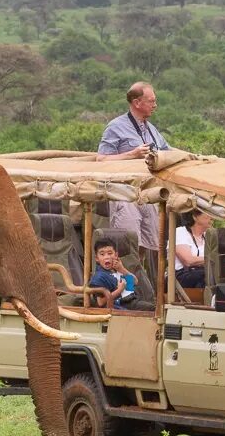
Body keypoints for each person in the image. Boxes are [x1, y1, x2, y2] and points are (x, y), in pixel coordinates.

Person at [97, 82, 173, 257]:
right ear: (137, 103)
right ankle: (127, 284)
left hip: (147, 193)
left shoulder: (151, 129)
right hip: (124, 194)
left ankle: (142, 282)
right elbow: (100, 159)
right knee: (127, 247)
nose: (155, 105)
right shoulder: (115, 126)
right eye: (151, 101)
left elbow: (168, 152)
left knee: (151, 246)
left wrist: (195, 157)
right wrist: (131, 154)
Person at [88, 239, 138, 309]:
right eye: (102, 254)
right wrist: (119, 290)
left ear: (116, 255)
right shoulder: (99, 277)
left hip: (131, 301)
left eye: (110, 253)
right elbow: (100, 302)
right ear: (97, 258)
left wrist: (122, 269)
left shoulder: (118, 268)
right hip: (119, 307)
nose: (106, 257)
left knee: (152, 308)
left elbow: (135, 282)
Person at [174, 209, 210, 289]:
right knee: (206, 275)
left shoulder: (207, 236)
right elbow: (188, 261)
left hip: (201, 273)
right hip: (182, 275)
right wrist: (212, 259)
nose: (211, 217)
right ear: (195, 216)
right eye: (207, 214)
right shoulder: (180, 232)